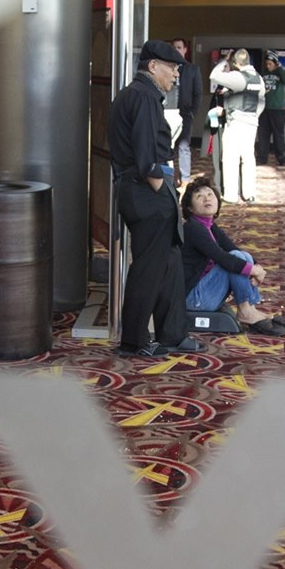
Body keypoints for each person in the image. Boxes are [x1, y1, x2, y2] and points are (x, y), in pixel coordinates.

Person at [107, 40, 199, 359]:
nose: (176, 74)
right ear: (153, 66)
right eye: (172, 67)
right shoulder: (144, 97)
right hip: (147, 193)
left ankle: (173, 334)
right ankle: (133, 341)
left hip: (143, 191)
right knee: (148, 268)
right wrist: (163, 190)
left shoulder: (136, 95)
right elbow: (147, 158)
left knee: (170, 262)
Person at [180, 178, 285, 335]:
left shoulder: (210, 226)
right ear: (190, 207)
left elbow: (232, 247)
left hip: (204, 292)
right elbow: (222, 257)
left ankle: (250, 308)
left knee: (242, 255)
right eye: (199, 196)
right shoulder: (193, 228)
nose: (207, 198)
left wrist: (257, 267)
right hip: (193, 299)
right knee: (234, 258)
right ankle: (245, 311)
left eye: (210, 194)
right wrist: (253, 270)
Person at [210, 48, 265, 203]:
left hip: (235, 123)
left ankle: (231, 195)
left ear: (235, 62)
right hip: (251, 123)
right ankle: (249, 194)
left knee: (230, 158)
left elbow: (214, 75)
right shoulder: (258, 78)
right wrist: (254, 116)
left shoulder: (238, 76)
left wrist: (223, 61)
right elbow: (261, 102)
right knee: (248, 158)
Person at [167, 38, 203, 182]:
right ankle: (168, 175)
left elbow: (198, 93)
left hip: (185, 113)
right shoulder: (166, 67)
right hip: (168, 112)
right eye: (174, 47)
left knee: (183, 146)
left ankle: (185, 177)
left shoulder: (193, 69)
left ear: (185, 50)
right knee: (166, 145)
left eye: (179, 47)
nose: (176, 50)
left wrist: (193, 112)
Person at [257, 50, 285, 166]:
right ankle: (262, 158)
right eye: (266, 64)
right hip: (264, 108)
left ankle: (281, 158)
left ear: (275, 63)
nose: (268, 66)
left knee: (278, 135)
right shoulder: (263, 73)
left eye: (270, 64)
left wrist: (279, 68)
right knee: (263, 134)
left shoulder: (280, 72)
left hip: (278, 109)